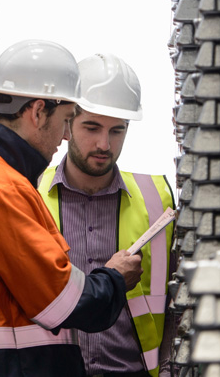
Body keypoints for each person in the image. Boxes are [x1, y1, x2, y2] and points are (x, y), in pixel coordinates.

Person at [0, 40, 145, 377]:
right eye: (66, 121)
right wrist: (116, 278)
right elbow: (65, 303)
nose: (64, 137)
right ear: (37, 111)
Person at [37, 53, 177, 377]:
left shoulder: (159, 198)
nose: (104, 144)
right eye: (92, 127)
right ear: (67, 123)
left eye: (117, 131)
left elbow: (176, 300)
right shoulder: (30, 195)